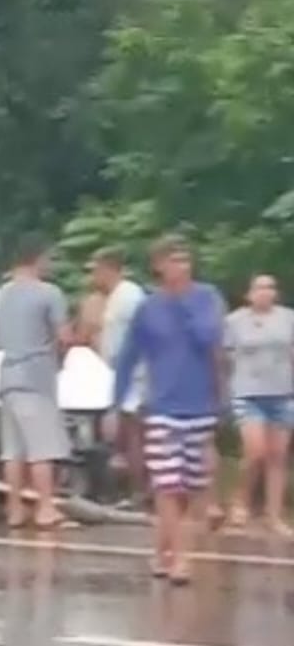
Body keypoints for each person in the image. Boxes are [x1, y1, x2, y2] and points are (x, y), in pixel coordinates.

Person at [112, 235, 226, 581]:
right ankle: (180, 558)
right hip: (162, 406)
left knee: (190, 488)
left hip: (200, 405)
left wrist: (183, 303)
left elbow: (209, 338)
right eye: (173, 260)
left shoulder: (207, 297)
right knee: (167, 484)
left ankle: (163, 549)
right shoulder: (147, 308)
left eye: (186, 260)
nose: (181, 267)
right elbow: (128, 358)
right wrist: (116, 404)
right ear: (158, 265)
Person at [0, 235, 77, 531]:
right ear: (38, 258)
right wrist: (60, 358)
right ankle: (45, 508)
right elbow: (64, 336)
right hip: (36, 376)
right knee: (42, 447)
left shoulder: (1, 295)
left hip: (7, 377)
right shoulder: (49, 293)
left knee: (12, 450)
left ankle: (14, 508)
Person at [224, 274, 294, 535]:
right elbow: (225, 355)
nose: (265, 292)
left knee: (278, 456)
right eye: (260, 287)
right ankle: (239, 501)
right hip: (248, 393)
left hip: (282, 393)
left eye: (270, 287)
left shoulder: (288, 318)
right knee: (255, 451)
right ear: (249, 294)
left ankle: (273, 516)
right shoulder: (235, 321)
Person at [89, 247, 149, 504]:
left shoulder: (129, 295)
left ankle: (139, 492)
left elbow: (143, 334)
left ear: (108, 269)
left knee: (133, 433)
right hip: (117, 375)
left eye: (95, 271)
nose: (93, 277)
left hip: (134, 376)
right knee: (122, 437)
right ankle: (130, 490)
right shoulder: (114, 297)